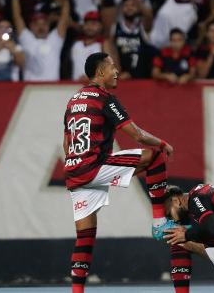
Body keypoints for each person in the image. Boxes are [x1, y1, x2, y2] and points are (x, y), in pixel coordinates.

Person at [63, 52, 175, 293]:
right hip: (94, 166)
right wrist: (162, 142)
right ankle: (158, 222)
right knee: (154, 157)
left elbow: (66, 143)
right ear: (100, 72)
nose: (117, 72)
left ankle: (76, 291)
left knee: (84, 238)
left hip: (75, 172)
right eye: (113, 67)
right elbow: (137, 135)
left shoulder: (73, 101)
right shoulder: (105, 99)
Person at [11, 0, 69, 81]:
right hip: (30, 87)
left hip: (52, 88)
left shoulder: (54, 39)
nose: (41, 27)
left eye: (44, 24)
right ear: (30, 27)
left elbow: (64, 19)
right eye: (36, 24)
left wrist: (66, 0)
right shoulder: (27, 39)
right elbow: (17, 17)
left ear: (48, 26)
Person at [70, 11, 115, 81]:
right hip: (74, 86)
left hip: (95, 87)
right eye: (87, 24)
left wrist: (92, 78)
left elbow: (112, 68)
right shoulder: (76, 43)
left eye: (93, 24)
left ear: (100, 26)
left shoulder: (103, 43)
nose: (89, 27)